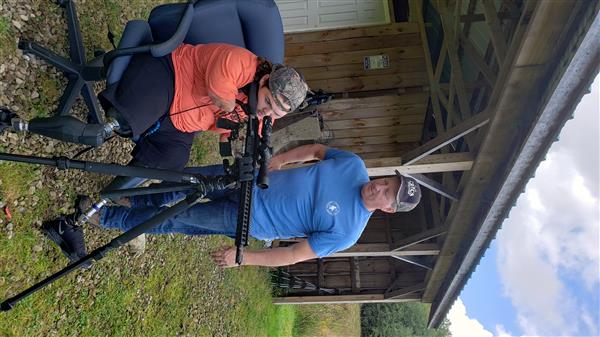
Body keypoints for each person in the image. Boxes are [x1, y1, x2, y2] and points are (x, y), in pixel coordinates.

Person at [48, 144, 422, 267]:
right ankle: (130, 195)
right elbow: (315, 150)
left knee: (179, 219)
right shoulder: (354, 165)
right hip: (249, 178)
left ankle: (107, 215)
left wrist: (243, 258)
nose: (381, 188)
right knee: (183, 182)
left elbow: (293, 254)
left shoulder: (348, 232)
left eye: (389, 194)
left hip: (247, 218)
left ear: (388, 209)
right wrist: (279, 160)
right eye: (389, 182)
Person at [1, 43, 309, 171]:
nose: (266, 113)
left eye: (274, 114)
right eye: (268, 103)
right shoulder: (241, 62)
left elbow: (229, 137)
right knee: (100, 133)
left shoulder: (258, 113)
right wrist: (234, 112)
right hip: (168, 76)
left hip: (180, 122)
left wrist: (237, 143)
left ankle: (108, 200)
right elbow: (219, 90)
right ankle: (20, 124)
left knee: (170, 165)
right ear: (266, 79)